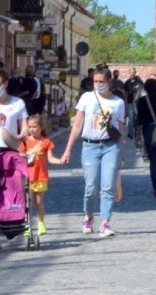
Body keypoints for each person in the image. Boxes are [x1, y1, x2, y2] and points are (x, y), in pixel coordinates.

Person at [60, 64, 125, 237]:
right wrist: (68, 150)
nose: (98, 84)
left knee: (107, 186)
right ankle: (88, 217)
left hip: (111, 146)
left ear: (109, 81)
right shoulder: (87, 98)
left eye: (101, 81)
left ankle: (105, 222)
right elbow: (77, 125)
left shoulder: (118, 102)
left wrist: (122, 153)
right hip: (90, 146)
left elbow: (120, 129)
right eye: (95, 81)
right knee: (90, 186)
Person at [19, 114, 60, 236]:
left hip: (40, 176)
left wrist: (60, 160)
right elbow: (19, 157)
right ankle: (26, 225)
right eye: (29, 127)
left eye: (34, 127)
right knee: (27, 202)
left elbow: (51, 158)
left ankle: (41, 222)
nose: (31, 129)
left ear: (41, 127)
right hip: (28, 177)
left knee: (39, 202)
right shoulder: (25, 142)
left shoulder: (46, 142)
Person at [123, 67, 144, 140]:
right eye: (131, 72)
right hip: (130, 102)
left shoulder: (139, 81)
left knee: (136, 118)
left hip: (138, 102)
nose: (132, 73)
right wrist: (125, 100)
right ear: (129, 73)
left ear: (135, 72)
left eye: (133, 72)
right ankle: (130, 133)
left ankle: (136, 132)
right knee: (131, 118)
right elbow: (125, 92)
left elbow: (142, 90)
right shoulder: (127, 82)